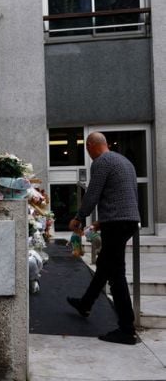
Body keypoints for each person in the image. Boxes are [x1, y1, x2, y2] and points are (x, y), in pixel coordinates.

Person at [66, 132, 140, 345]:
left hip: (116, 223)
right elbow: (127, 194)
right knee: (105, 266)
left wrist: (79, 218)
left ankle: (127, 330)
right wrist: (102, 222)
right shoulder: (124, 161)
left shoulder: (101, 162)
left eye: (87, 150)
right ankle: (85, 303)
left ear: (91, 146)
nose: (88, 154)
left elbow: (93, 194)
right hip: (126, 220)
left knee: (116, 275)